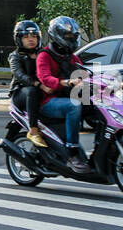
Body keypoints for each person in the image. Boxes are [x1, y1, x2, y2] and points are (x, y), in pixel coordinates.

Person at [36, 16, 90, 172]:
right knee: (74, 106)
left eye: (73, 36)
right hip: (48, 101)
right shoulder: (44, 55)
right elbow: (44, 78)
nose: (71, 39)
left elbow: (84, 74)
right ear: (57, 35)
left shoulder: (71, 57)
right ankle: (72, 153)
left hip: (65, 97)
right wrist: (66, 82)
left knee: (95, 106)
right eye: (67, 36)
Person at [9, 20, 48, 148]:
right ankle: (33, 130)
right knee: (32, 91)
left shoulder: (43, 54)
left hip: (41, 91)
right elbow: (19, 75)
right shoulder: (15, 56)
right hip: (21, 93)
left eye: (34, 36)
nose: (30, 39)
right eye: (26, 37)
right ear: (19, 39)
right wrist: (38, 84)